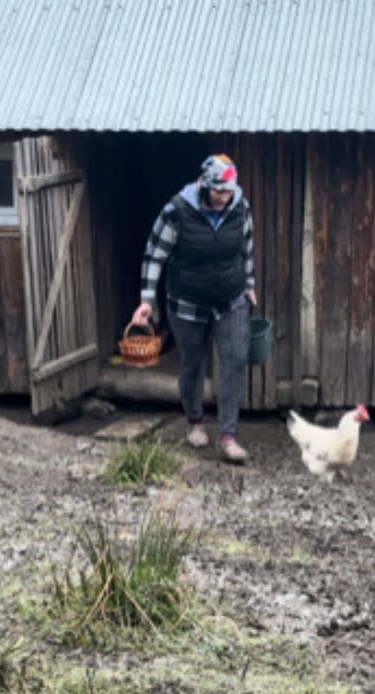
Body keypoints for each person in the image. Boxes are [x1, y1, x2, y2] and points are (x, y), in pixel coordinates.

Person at [133, 154, 256, 463]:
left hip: (231, 298)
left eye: (228, 191)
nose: (224, 197)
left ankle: (228, 435)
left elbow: (246, 247)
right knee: (192, 363)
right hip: (187, 302)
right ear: (205, 184)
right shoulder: (177, 211)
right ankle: (195, 422)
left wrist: (250, 283)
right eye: (219, 191)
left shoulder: (240, 207)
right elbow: (154, 254)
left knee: (235, 359)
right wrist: (147, 300)